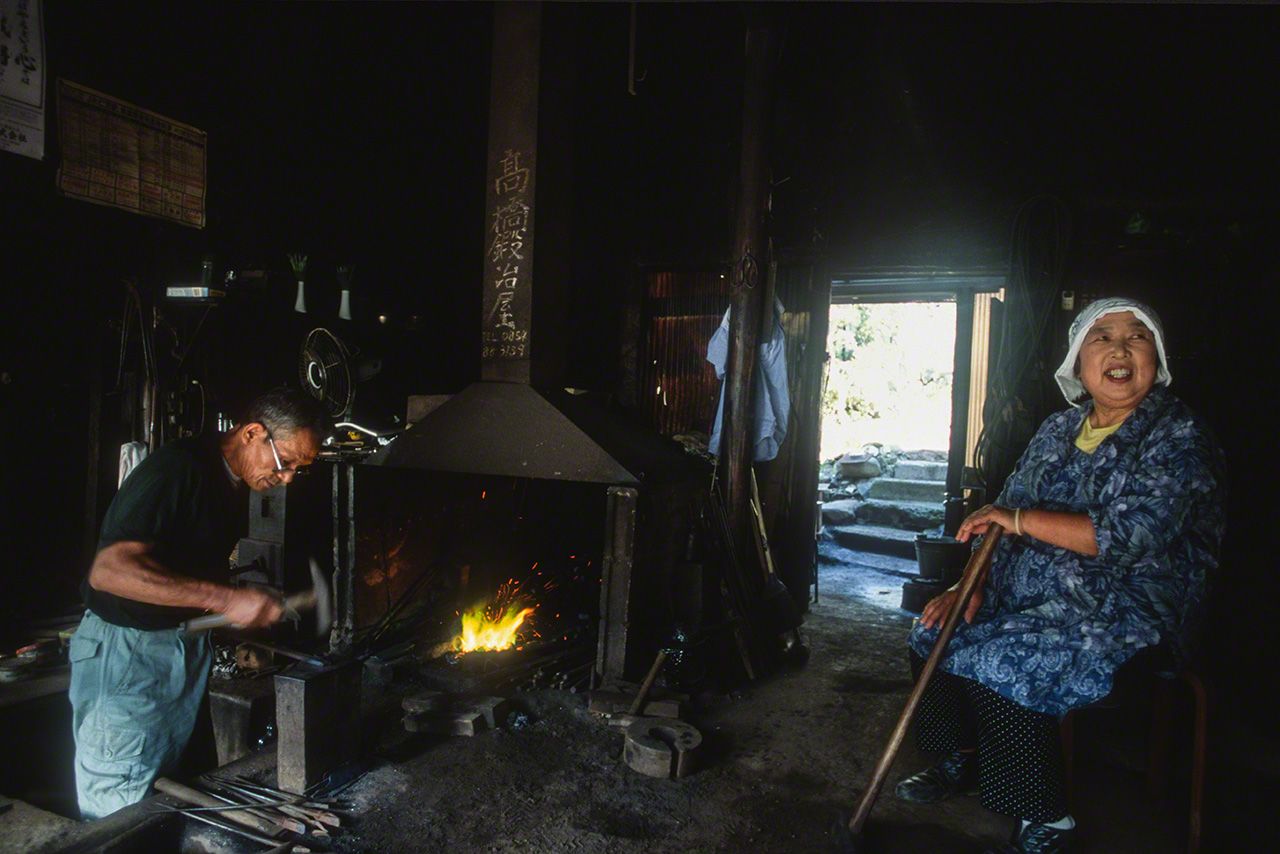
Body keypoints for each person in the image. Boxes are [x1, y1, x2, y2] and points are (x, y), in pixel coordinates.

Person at [895, 298, 1225, 853]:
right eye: (1102, 337)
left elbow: (1132, 535)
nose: (1120, 349)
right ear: (1077, 361)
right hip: (1030, 599)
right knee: (932, 629)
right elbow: (998, 518)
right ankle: (966, 755)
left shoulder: (1179, 437)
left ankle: (1046, 818)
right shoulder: (1058, 428)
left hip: (1127, 615)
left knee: (1000, 659)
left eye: (1137, 337)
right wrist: (967, 585)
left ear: (1157, 358)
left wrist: (1020, 520)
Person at [67, 388, 329, 819]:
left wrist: (238, 607)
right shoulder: (179, 469)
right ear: (252, 433)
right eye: (285, 462)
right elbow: (109, 572)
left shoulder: (230, 482)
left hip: (177, 651)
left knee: (166, 802)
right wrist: (225, 598)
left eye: (299, 469)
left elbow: (180, 567)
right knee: (118, 810)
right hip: (129, 657)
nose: (287, 479)